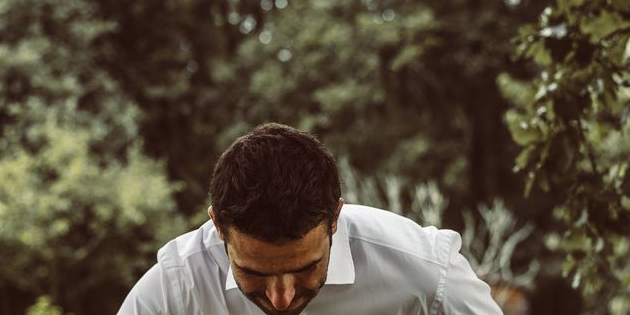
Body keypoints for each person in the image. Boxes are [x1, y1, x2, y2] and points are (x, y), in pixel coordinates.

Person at [118, 123, 503, 314]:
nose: (281, 299)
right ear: (218, 227)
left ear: (335, 218)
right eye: (255, 272)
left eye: (306, 267)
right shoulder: (172, 293)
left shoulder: (428, 276)